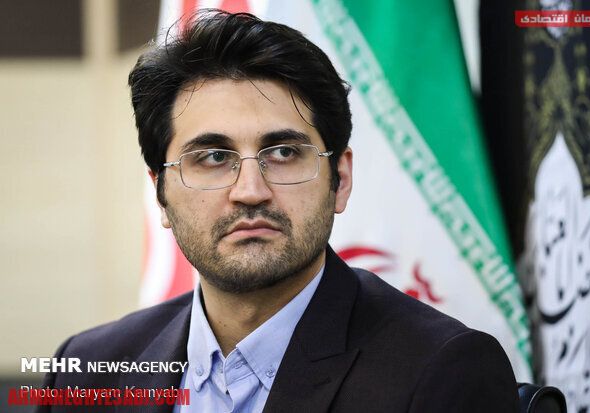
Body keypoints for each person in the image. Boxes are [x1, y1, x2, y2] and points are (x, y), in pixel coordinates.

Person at [37, 10, 518, 412]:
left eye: (284, 153)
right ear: (161, 193)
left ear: (340, 179)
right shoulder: (84, 370)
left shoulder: (442, 371)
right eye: (213, 157)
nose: (250, 192)